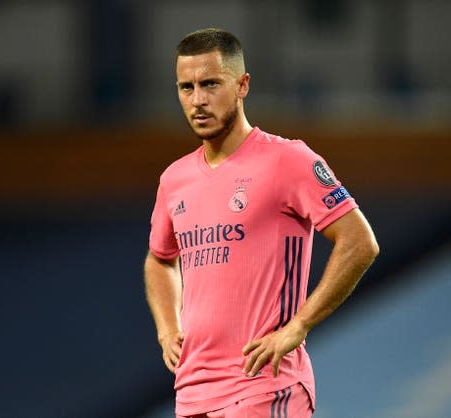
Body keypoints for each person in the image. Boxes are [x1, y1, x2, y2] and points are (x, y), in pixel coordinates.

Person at [144, 28, 379, 418]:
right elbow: (160, 259)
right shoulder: (174, 179)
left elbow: (359, 241)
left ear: (242, 85)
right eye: (186, 87)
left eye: (211, 84)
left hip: (263, 385)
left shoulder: (288, 160)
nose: (198, 100)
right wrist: (167, 328)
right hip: (193, 392)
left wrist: (299, 325)